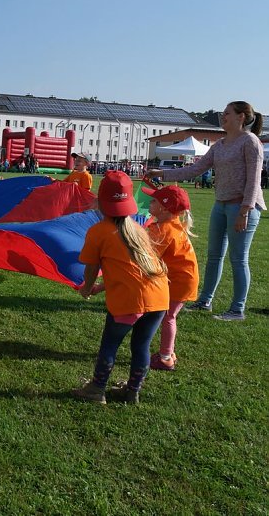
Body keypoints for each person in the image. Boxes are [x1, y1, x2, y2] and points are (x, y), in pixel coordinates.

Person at [146, 101, 265, 321]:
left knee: (238, 259)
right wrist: (161, 174)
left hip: (242, 206)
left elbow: (254, 180)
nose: (223, 117)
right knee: (214, 256)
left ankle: (237, 309)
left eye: (227, 113)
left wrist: (245, 210)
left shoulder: (250, 142)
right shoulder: (219, 145)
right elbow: (196, 168)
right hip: (220, 205)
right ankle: (205, 301)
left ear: (241, 117)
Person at [72, 171, 169, 404]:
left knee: (110, 344)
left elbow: (91, 269)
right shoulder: (138, 229)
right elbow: (134, 273)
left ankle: (97, 389)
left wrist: (87, 288)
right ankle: (132, 391)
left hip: (129, 302)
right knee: (141, 346)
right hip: (159, 298)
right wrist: (101, 289)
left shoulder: (98, 231)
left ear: (100, 202)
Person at [141, 185, 199, 371]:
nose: (149, 203)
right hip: (182, 279)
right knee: (169, 316)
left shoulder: (164, 229)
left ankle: (166, 357)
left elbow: (146, 257)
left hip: (179, 282)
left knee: (168, 316)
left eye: (153, 201)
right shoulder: (170, 224)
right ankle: (168, 352)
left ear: (164, 208)